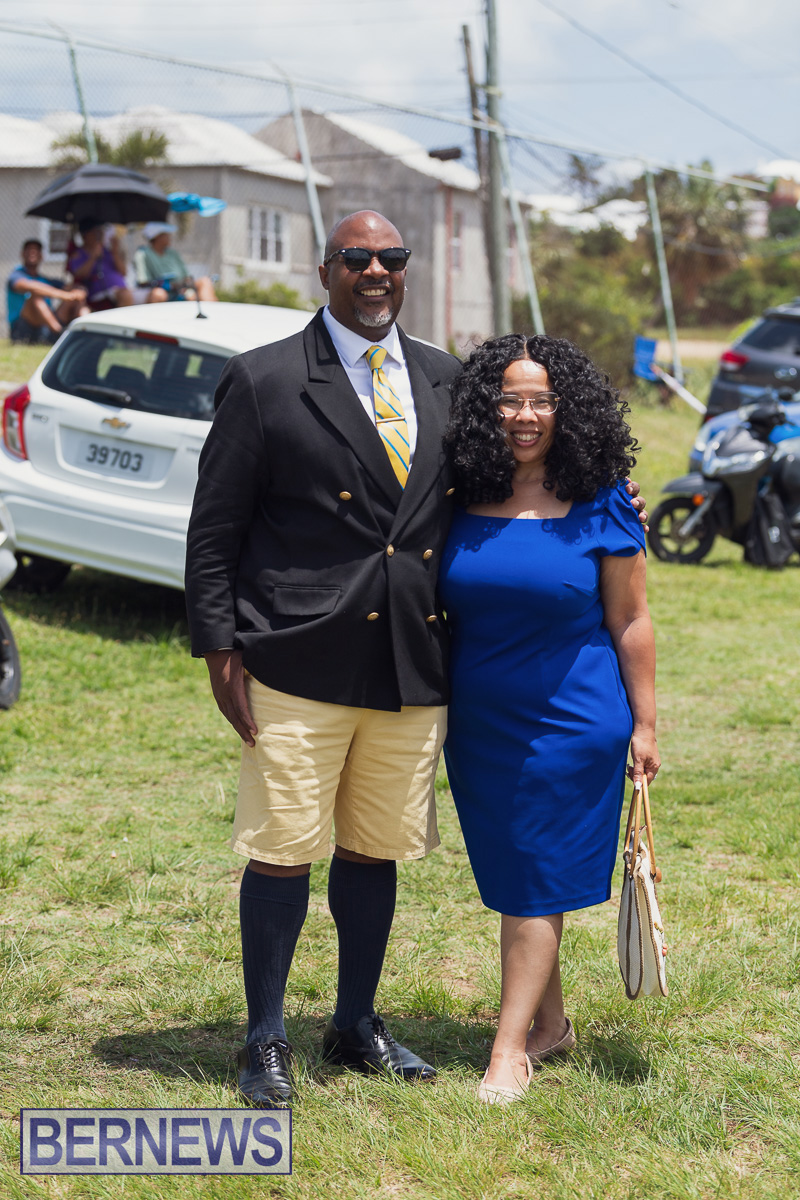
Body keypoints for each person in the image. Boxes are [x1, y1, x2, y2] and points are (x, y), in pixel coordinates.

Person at [184, 211, 648, 1109]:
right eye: (356, 258)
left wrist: (604, 483)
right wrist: (218, 644)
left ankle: (355, 1024)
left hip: (412, 663)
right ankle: (265, 1038)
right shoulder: (266, 378)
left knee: (374, 848)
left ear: (405, 271)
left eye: (391, 259)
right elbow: (215, 531)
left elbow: (516, 474)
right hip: (295, 655)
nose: (374, 272)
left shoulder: (446, 380)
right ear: (324, 269)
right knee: (283, 848)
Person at [440, 333, 660, 1104]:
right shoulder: (458, 491)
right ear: (484, 408)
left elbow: (631, 621)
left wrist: (646, 724)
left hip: (572, 721)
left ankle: (509, 1051)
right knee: (519, 879)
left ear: (569, 410)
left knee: (534, 886)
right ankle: (553, 1022)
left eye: (541, 400)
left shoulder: (604, 500)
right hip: (479, 727)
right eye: (509, 398)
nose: (525, 414)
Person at [7, 238, 88, 343]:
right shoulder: (16, 275)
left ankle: (86, 334)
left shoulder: (45, 280)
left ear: (42, 255)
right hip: (22, 327)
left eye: (36, 250)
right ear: (22, 254)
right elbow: (30, 287)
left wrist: (78, 292)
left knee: (76, 299)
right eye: (29, 250)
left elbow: (72, 288)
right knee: (35, 297)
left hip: (45, 327)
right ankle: (61, 335)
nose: (33, 253)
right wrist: (63, 295)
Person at [133, 222, 217, 303]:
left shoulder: (173, 253)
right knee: (159, 294)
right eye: (166, 234)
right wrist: (166, 285)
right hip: (159, 292)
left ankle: (212, 314)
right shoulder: (142, 254)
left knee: (205, 282)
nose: (170, 237)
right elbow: (143, 282)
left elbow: (186, 277)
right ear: (157, 236)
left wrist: (185, 288)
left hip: (180, 291)